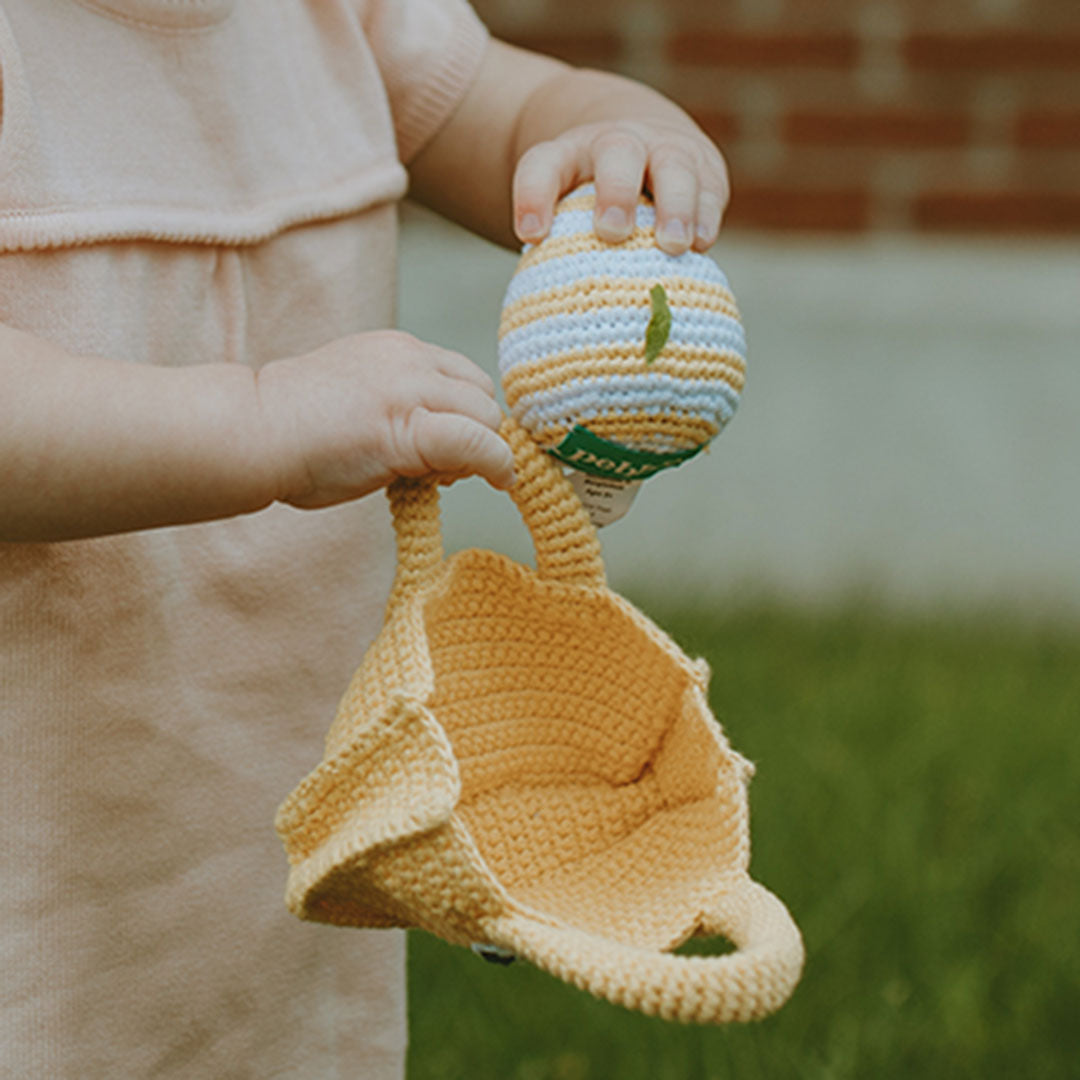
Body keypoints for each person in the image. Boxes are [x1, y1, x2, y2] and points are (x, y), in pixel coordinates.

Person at [0, 1, 730, 1076]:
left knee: (268, 1026)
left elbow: (511, 104)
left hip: (279, 776)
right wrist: (258, 418)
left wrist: (617, 139)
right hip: (47, 833)